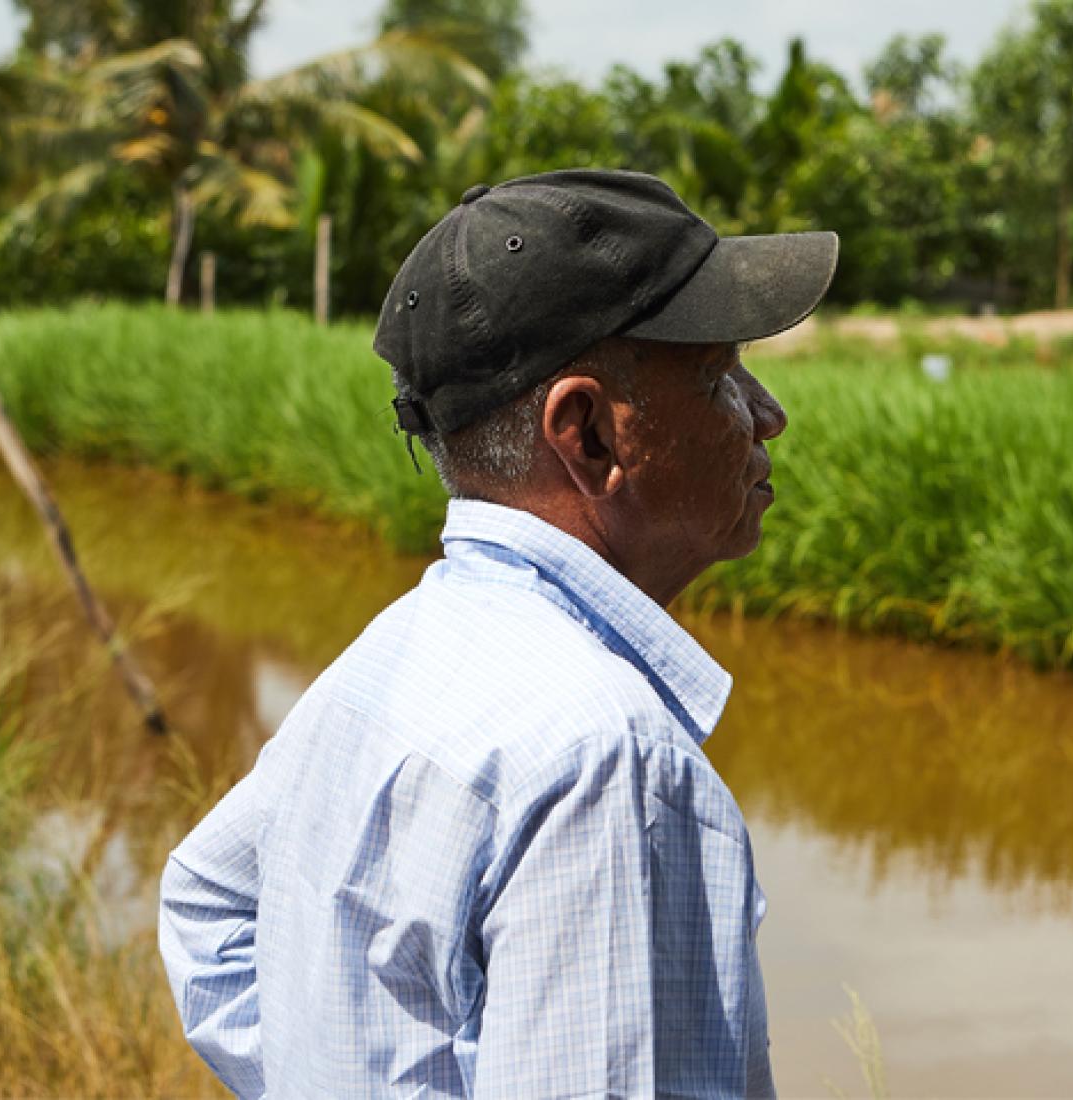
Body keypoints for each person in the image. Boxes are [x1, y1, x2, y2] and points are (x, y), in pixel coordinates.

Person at [158, 168, 838, 1098]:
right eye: (721, 374)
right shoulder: (610, 761)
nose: (770, 415)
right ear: (591, 434)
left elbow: (210, 907)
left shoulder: (398, 650)